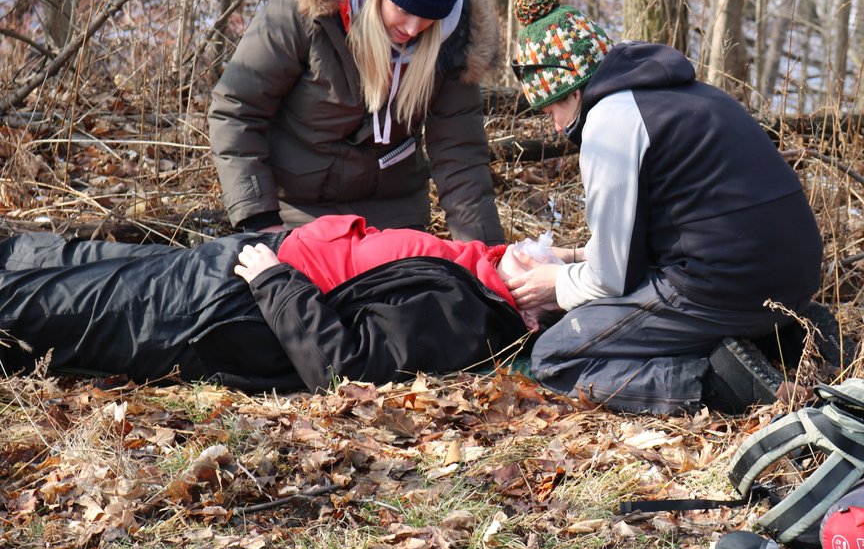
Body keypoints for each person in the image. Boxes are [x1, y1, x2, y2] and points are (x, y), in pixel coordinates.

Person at [504, 0, 827, 415]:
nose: (556, 128)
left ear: (575, 90)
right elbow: (674, 225)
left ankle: (721, 384)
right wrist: (576, 254)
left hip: (726, 288)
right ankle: (790, 335)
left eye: (551, 111)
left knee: (555, 355)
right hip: (795, 280)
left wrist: (556, 284)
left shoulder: (609, 123)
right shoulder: (681, 92)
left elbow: (611, 279)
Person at [209, 0, 504, 244]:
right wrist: (260, 221)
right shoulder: (307, 10)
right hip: (298, 212)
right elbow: (237, 109)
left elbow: (460, 156)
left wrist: (486, 252)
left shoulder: (455, 41)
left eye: (428, 17)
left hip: (395, 217)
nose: (412, 28)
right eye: (403, 9)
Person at [0, 215, 528, 392]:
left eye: (553, 270)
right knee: (65, 260)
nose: (543, 250)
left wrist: (275, 282)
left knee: (52, 307)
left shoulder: (465, 317)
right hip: (254, 261)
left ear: (532, 306)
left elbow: (349, 370)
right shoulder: (483, 271)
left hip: (237, 306)